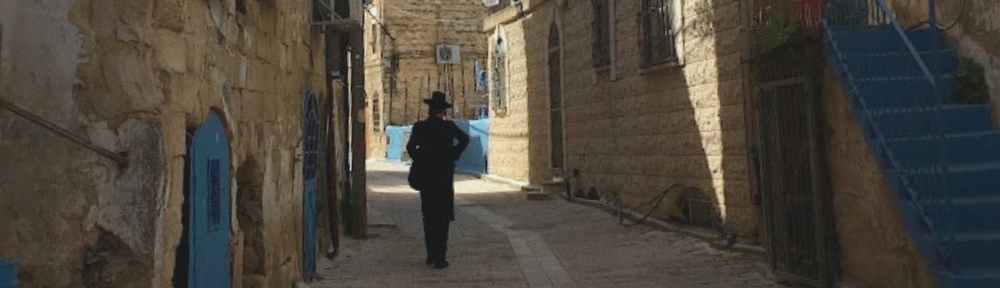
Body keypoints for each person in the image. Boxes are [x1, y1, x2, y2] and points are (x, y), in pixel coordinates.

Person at [406, 91, 469, 269]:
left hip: (426, 177)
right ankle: (441, 257)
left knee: (428, 216)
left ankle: (431, 254)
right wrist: (452, 154)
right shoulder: (448, 127)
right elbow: (464, 139)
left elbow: (410, 148)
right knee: (442, 217)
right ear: (443, 111)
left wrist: (421, 159)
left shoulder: (420, 127)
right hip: (443, 177)